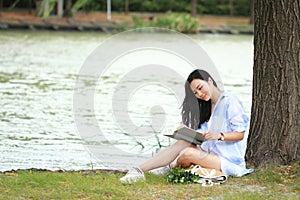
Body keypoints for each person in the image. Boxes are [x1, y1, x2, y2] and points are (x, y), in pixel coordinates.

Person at [120, 69, 253, 183]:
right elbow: (204, 136)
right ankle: (138, 170)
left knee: (187, 153)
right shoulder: (209, 107)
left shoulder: (230, 101)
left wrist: (220, 136)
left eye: (200, 88)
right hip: (209, 154)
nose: (199, 94)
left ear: (210, 81)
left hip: (228, 161)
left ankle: (169, 166)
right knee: (184, 141)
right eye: (195, 93)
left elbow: (240, 134)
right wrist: (188, 132)